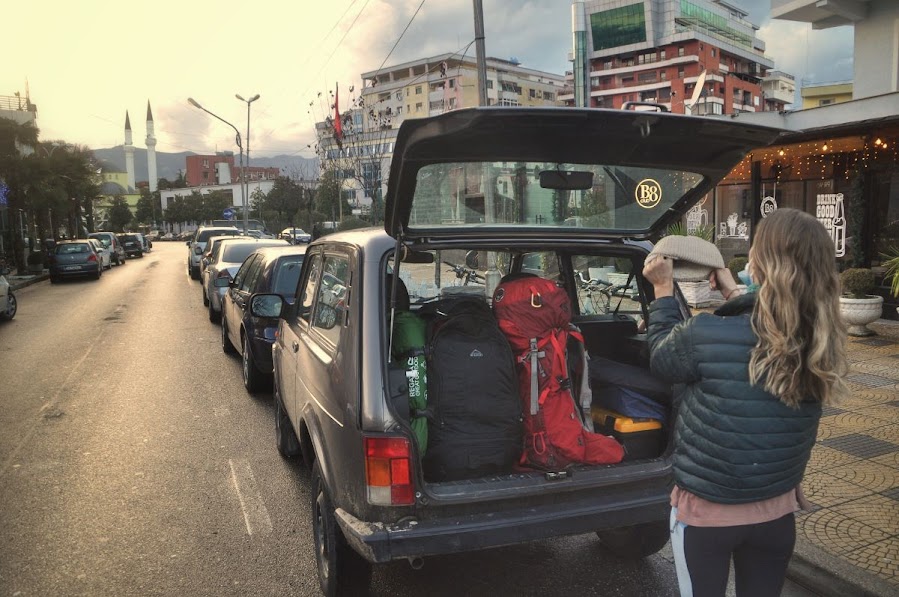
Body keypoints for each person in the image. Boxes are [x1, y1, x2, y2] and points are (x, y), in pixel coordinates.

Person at [642, 208, 849, 597]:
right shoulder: (820, 341)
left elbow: (661, 359)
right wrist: (736, 296)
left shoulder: (703, 332)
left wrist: (663, 293)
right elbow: (767, 325)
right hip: (776, 517)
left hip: (707, 519)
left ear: (757, 264)